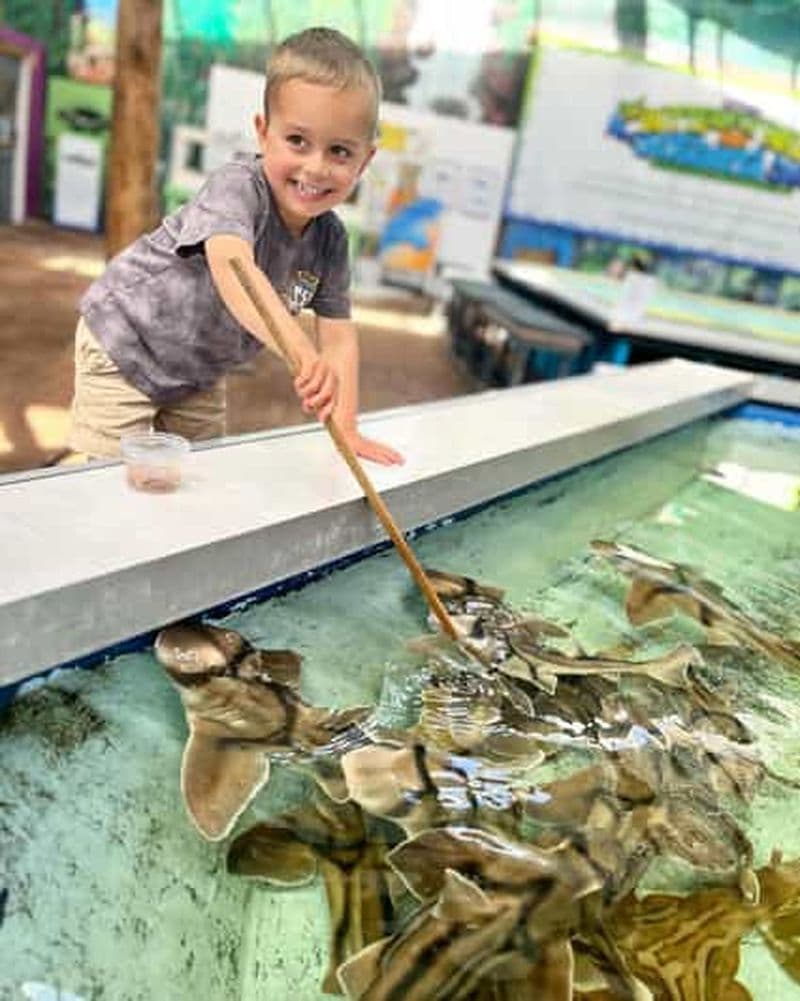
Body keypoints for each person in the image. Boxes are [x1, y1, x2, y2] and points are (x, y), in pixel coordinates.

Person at [69, 26, 404, 466]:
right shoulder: (238, 188)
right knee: (110, 478)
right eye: (297, 141)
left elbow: (338, 335)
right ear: (264, 133)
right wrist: (300, 351)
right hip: (127, 342)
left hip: (199, 371)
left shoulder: (331, 241)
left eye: (340, 151)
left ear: (366, 160)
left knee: (205, 474)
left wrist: (345, 425)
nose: (315, 167)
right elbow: (233, 268)